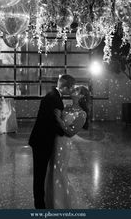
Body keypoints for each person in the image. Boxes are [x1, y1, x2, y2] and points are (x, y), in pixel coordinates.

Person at [28, 74, 76, 209]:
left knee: (41, 174)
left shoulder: (53, 96)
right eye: (71, 88)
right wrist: (66, 131)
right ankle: (39, 207)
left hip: (42, 140)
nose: (72, 91)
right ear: (65, 87)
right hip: (42, 142)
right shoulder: (54, 99)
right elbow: (52, 123)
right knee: (39, 175)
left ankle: (42, 204)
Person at [44, 85, 91, 209]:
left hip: (63, 145)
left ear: (81, 96)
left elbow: (70, 132)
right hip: (53, 141)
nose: (72, 90)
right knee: (50, 172)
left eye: (76, 90)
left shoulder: (82, 114)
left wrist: (59, 120)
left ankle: (62, 205)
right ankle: (51, 203)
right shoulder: (66, 107)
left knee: (59, 172)